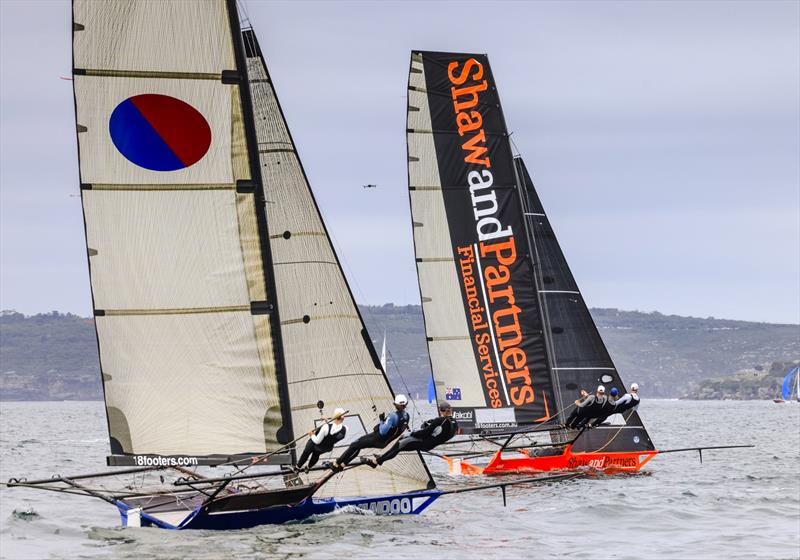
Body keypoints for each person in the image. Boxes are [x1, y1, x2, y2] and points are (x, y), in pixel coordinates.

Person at [366, 401, 459, 467]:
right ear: (450, 410)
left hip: (423, 443)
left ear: (441, 410)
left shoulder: (440, 421)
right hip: (430, 444)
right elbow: (442, 432)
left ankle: (375, 462)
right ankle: (382, 457)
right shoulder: (454, 422)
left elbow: (424, 432)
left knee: (400, 444)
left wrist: (412, 433)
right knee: (402, 440)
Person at [331, 394, 410, 469]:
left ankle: (337, 463)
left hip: (377, 438)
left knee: (354, 445)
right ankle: (343, 463)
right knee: (358, 444)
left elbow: (383, 431)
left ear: (395, 404)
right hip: (383, 442)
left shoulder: (393, 416)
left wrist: (382, 420)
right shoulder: (407, 417)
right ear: (405, 404)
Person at [294, 408, 347, 473]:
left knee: (306, 452)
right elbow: (333, 432)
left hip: (314, 444)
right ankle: (308, 468)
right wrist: (327, 423)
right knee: (316, 455)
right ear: (343, 418)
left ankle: (297, 468)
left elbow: (317, 441)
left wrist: (311, 434)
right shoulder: (345, 430)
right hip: (325, 448)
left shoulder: (326, 427)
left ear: (334, 417)